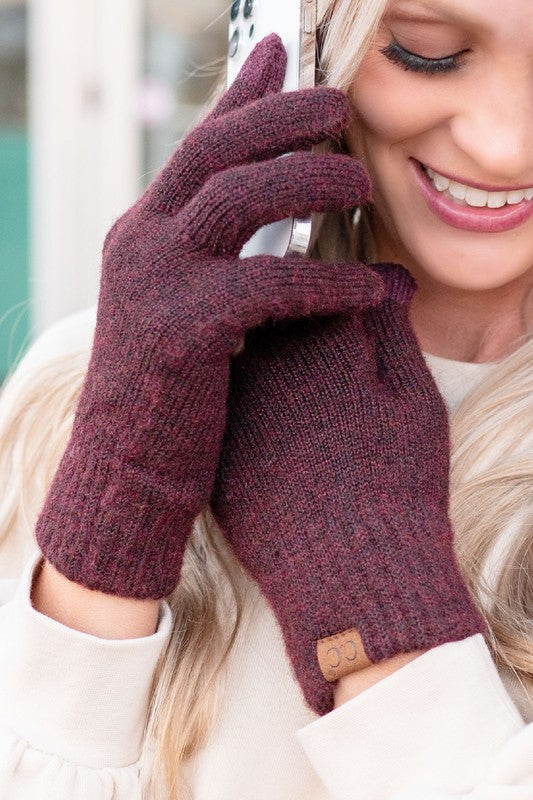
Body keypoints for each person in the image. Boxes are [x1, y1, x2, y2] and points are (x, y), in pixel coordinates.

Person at [0, 1, 531, 798]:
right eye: (427, 52)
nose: (502, 144)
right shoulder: (89, 383)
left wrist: (373, 601)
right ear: (295, 37)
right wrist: (113, 510)